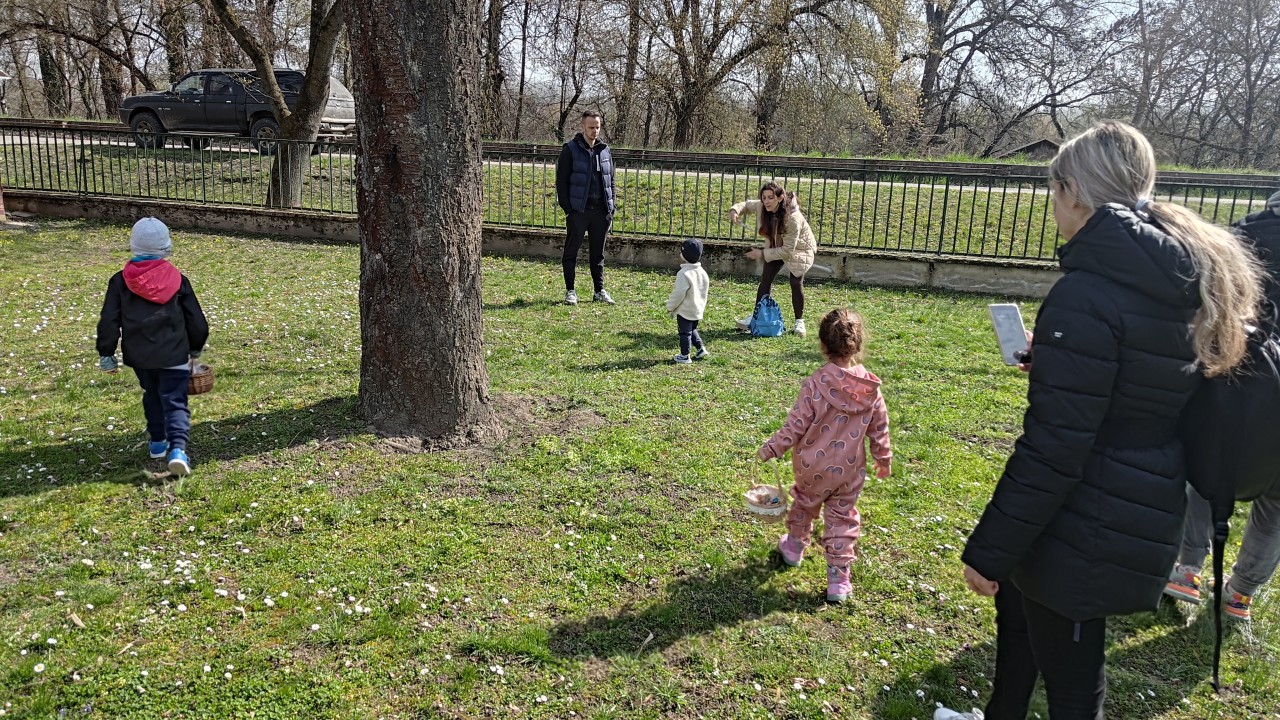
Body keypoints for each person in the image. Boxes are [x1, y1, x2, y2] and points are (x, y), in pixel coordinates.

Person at [940, 121, 1265, 720]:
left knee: (1073, 680)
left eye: (1053, 190)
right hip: (1136, 491)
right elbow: (1142, 373)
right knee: (1019, 615)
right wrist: (1058, 357)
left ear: (1073, 193)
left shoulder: (1088, 293)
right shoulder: (1175, 272)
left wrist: (989, 549)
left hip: (1086, 511)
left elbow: (1055, 446)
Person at [1165, 188, 1280, 623]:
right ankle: (1241, 593)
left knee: (1208, 463)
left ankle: (1188, 567)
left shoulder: (1245, 234)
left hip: (1241, 369)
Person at [757, 308, 892, 603]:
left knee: (805, 503)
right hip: (849, 471)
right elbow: (879, 428)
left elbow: (795, 425)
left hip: (811, 467)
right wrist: (883, 458)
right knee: (842, 518)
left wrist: (772, 447)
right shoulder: (870, 389)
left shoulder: (815, 384)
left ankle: (794, 546)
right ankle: (838, 580)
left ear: (822, 345)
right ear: (857, 344)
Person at [97, 217, 209, 477]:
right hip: (174, 353)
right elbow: (197, 321)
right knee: (175, 399)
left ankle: (158, 442)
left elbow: (109, 321)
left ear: (133, 246)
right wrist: (195, 348)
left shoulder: (119, 282)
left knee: (152, 393)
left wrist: (106, 353)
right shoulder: (179, 280)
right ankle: (177, 449)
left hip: (140, 356)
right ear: (166, 246)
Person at [729, 181, 816, 336]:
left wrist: (762, 253)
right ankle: (757, 318)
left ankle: (799, 322)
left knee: (796, 282)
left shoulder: (793, 218)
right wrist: (735, 210)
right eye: (764, 197)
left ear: (780, 197)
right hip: (776, 246)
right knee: (766, 279)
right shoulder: (763, 206)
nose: (766, 201)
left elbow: (788, 251)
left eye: (770, 197)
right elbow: (746, 205)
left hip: (799, 249)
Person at [555, 110, 617, 306]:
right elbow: (561, 181)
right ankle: (570, 291)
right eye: (591, 127)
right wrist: (568, 209)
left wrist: (611, 207)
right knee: (571, 252)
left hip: (601, 211)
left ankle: (599, 291)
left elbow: (611, 180)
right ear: (583, 126)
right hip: (578, 211)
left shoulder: (605, 150)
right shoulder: (570, 149)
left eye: (597, 127)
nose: (594, 131)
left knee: (598, 254)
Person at [665, 238, 710, 364]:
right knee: (692, 329)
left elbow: (679, 293)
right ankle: (700, 348)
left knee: (684, 333)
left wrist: (670, 306)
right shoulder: (702, 272)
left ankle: (685, 355)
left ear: (684, 254)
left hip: (685, 310)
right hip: (697, 309)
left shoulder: (684, 273)